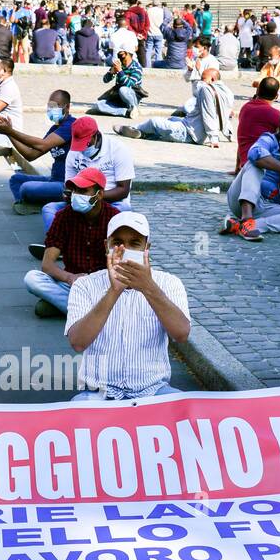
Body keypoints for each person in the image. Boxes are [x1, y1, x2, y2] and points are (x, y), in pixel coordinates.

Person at [65, 211, 190, 401]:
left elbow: (181, 334)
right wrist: (114, 291)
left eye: (135, 243)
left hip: (153, 390)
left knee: (186, 410)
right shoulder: (85, 285)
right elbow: (78, 342)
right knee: (75, 415)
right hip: (98, 392)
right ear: (106, 247)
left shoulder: (169, 283)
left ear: (147, 248)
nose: (125, 250)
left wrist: (149, 288)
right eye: (117, 243)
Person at [25, 167, 119, 317]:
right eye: (74, 191)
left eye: (82, 191)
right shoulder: (63, 217)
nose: (76, 195)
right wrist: (70, 278)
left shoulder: (115, 218)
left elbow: (120, 266)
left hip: (104, 285)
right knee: (32, 278)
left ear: (99, 194)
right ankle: (91, 312)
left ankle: (70, 308)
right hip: (72, 283)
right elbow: (47, 265)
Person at [223, 103, 280, 240]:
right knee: (254, 163)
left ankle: (244, 226)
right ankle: (246, 217)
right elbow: (254, 153)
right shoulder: (270, 139)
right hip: (240, 200)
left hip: (268, 205)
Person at [37, 116, 133, 233]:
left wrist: (93, 198)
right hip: (81, 200)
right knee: (49, 209)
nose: (82, 148)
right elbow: (68, 185)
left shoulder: (118, 150)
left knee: (124, 210)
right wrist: (69, 195)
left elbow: (123, 190)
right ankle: (56, 242)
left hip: (111, 202)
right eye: (79, 144)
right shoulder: (73, 152)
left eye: (85, 143)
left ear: (96, 135)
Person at [0, 90, 75, 213]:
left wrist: (10, 131)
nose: (51, 110)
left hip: (66, 186)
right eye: (50, 106)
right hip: (54, 180)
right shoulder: (55, 128)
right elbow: (31, 155)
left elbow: (42, 145)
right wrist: (8, 133)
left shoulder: (71, 125)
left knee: (26, 188)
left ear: (67, 107)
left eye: (56, 106)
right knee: (16, 180)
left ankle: (37, 202)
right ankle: (30, 204)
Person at [115, 67, 232, 147]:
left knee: (154, 122)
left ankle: (134, 129)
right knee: (170, 120)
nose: (201, 81)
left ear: (212, 80)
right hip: (190, 127)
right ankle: (143, 134)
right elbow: (225, 116)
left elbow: (209, 113)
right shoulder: (227, 92)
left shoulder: (207, 89)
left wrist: (214, 138)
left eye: (203, 78)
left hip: (189, 133)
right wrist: (229, 134)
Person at [235, 77, 280, 170]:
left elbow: (243, 136)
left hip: (245, 163)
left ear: (257, 91)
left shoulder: (245, 107)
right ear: (276, 96)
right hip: (263, 164)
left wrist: (237, 166)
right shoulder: (276, 114)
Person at [87, 48, 143, 118]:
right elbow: (105, 80)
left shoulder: (137, 67)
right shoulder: (119, 64)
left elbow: (129, 85)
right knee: (98, 105)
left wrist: (120, 71)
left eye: (121, 54)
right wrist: (111, 73)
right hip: (118, 98)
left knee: (123, 90)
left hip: (131, 96)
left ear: (127, 54)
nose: (119, 56)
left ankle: (133, 107)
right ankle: (127, 112)